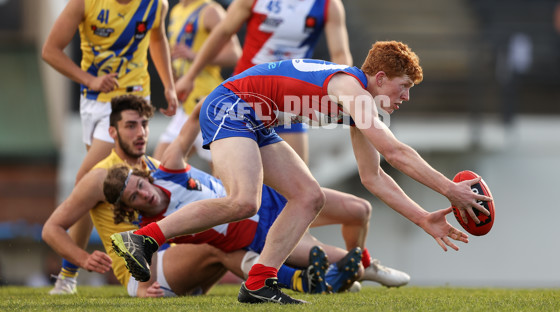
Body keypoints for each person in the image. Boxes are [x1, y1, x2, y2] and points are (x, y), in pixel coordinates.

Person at [111, 41, 493, 304]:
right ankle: (142, 240)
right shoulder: (353, 89)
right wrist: (450, 191)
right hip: (231, 105)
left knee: (310, 197)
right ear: (379, 78)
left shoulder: (358, 102)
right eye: (403, 86)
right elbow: (394, 151)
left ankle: (260, 281)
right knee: (244, 201)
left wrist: (424, 218)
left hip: (254, 117)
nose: (406, 97)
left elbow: (373, 177)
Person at [107, 100, 409, 294]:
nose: (144, 194)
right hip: (264, 236)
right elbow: (141, 256)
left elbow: (193, 119)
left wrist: (218, 98)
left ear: (144, 177)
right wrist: (144, 288)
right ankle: (354, 273)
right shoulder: (154, 224)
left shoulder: (169, 170)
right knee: (347, 265)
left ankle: (366, 265)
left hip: (270, 197)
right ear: (129, 208)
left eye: (140, 186)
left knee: (360, 209)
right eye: (135, 197)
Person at [41, 0, 178, 293]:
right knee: (96, 190)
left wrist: (168, 85)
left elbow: (158, 40)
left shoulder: (155, 2)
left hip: (130, 104)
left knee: (87, 182)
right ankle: (135, 263)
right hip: (93, 104)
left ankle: (74, 272)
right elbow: (51, 50)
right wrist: (89, 78)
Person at [175, 0, 353, 164]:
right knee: (232, 187)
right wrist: (190, 76)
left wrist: (346, 94)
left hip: (291, 101)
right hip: (244, 94)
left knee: (302, 190)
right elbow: (222, 33)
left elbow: (341, 57)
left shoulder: (329, 4)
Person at [41, 95, 245, 297]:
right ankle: (265, 281)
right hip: (143, 277)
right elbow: (52, 228)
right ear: (112, 132)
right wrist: (82, 260)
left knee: (229, 235)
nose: (140, 133)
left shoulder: (155, 166)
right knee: (220, 244)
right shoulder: (100, 176)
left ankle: (265, 275)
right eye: (130, 126)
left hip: (175, 261)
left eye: (144, 125)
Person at [153, 0, 241, 163]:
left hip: (207, 101)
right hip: (186, 105)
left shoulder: (211, 11)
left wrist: (195, 56)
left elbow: (235, 54)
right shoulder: (175, 12)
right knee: (159, 169)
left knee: (226, 178)